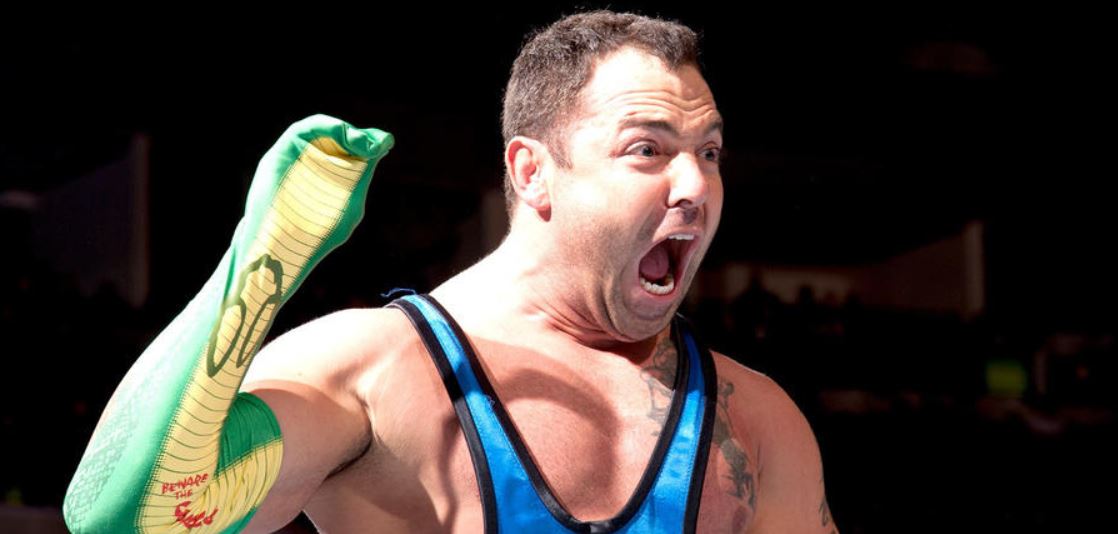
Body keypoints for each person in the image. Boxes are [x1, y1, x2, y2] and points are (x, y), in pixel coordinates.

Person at [65, 10, 836, 533]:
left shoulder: (758, 422)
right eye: (647, 149)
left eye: (709, 152)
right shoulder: (375, 370)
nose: (697, 184)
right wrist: (261, 259)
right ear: (532, 173)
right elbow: (125, 520)